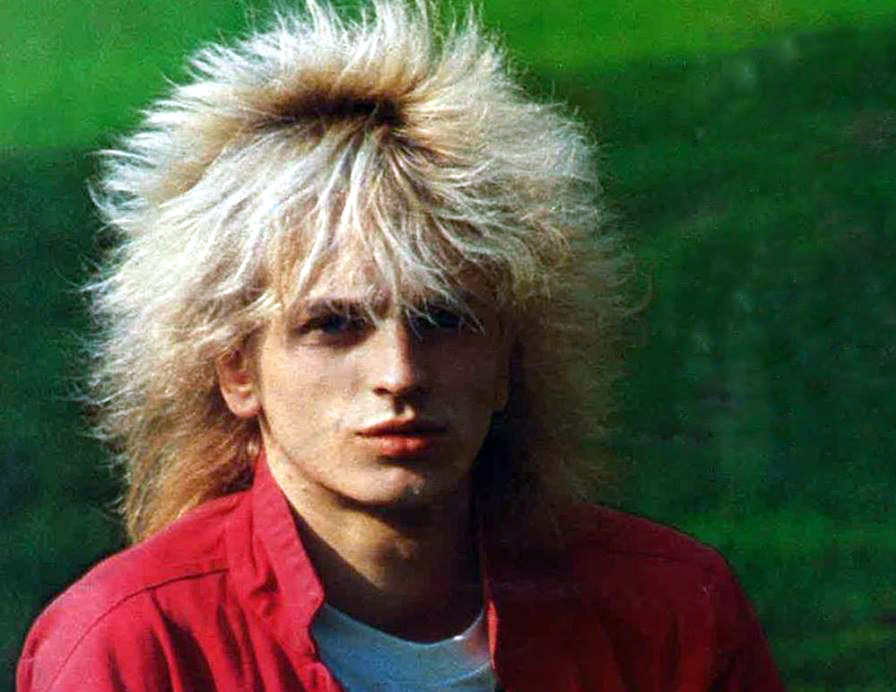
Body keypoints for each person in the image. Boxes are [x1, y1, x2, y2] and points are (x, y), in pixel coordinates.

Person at [17, 1, 784, 690]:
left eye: (444, 319)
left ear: (509, 360)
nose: (400, 374)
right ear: (235, 369)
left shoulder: (673, 614)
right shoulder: (133, 647)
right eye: (334, 325)